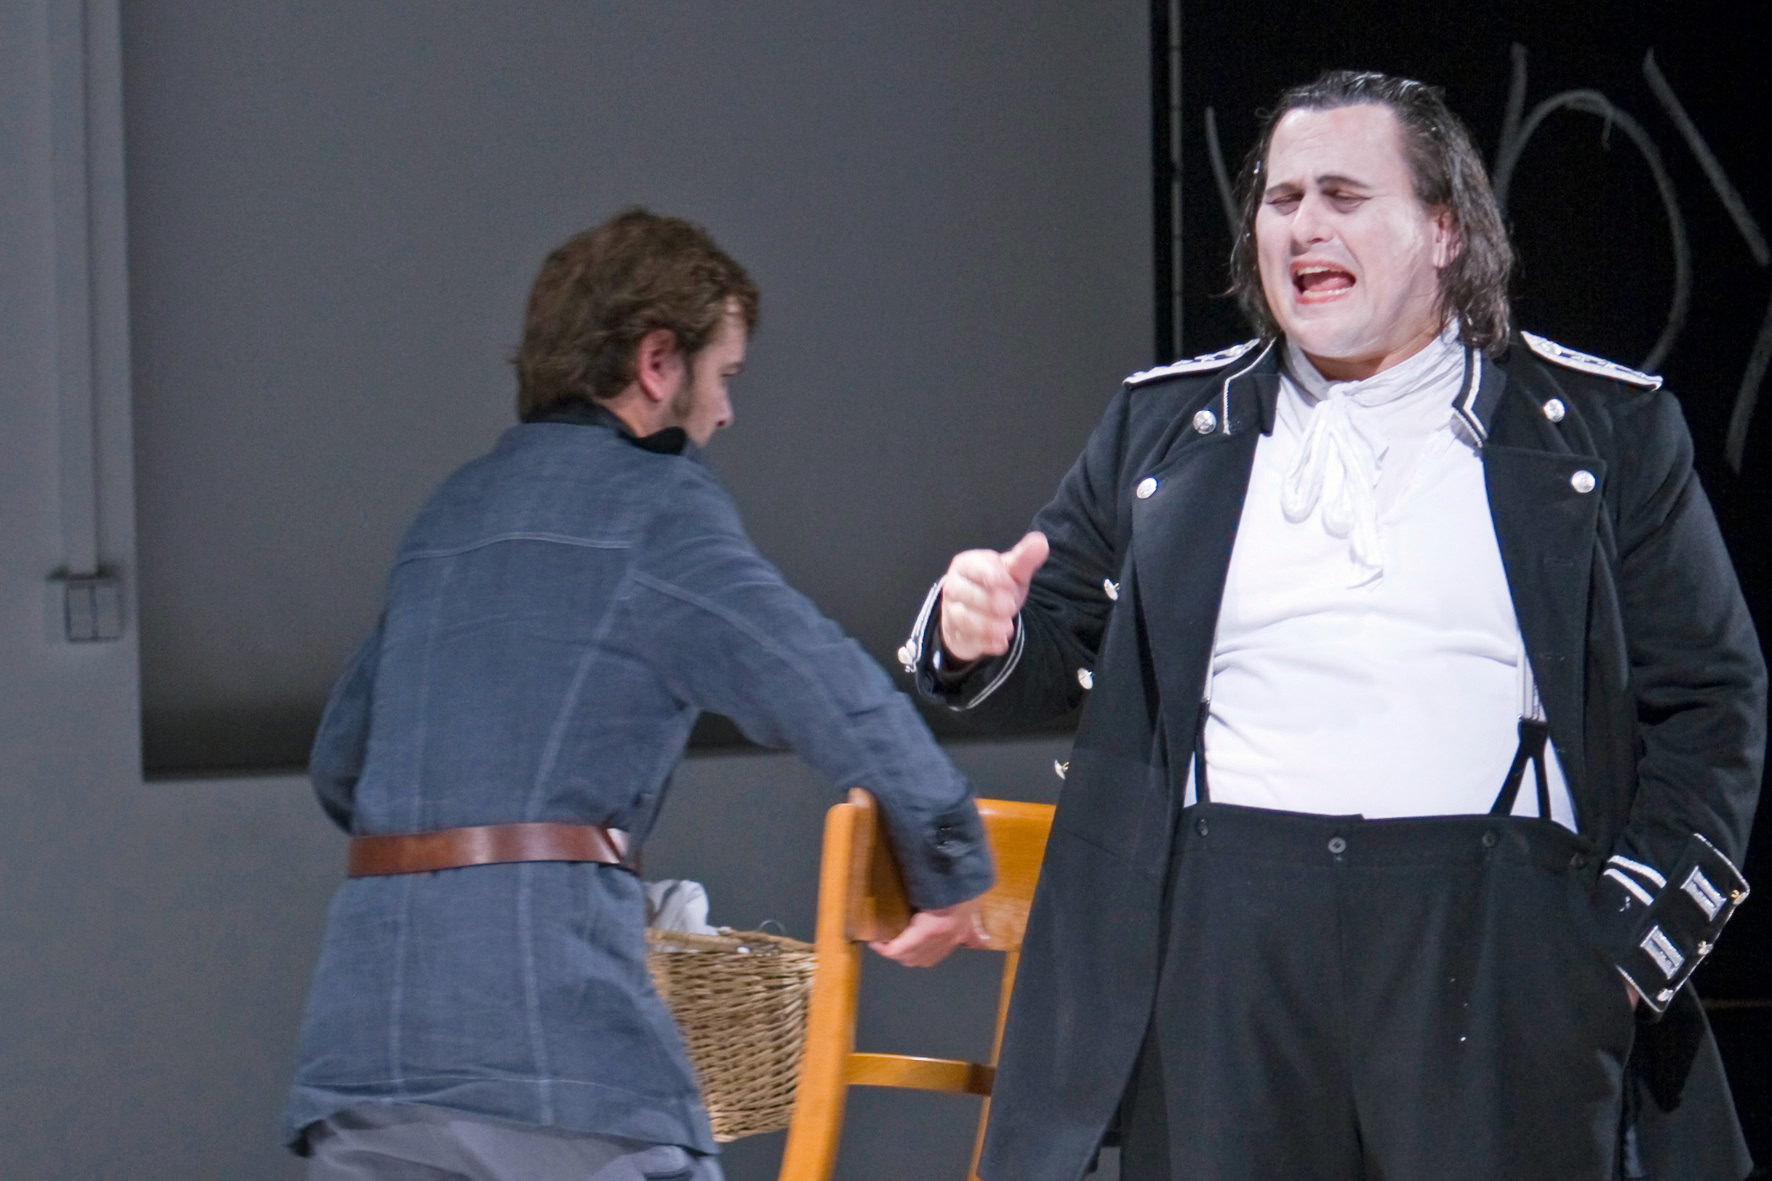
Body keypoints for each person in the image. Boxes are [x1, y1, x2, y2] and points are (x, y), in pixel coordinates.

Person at [903, 72, 1764, 1181]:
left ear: (1444, 230)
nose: (1302, 224)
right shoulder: (1166, 424)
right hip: (1226, 950)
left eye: (1344, 195)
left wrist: (1619, 950)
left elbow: (1711, 699)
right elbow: (1053, 638)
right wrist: (976, 629)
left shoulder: (1605, 429)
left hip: (1496, 948)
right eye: (1280, 198)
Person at [286, 208, 993, 1180]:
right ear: (658, 361)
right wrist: (948, 856)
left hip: (362, 1054)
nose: (726, 411)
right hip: (553, 1054)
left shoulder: (450, 510)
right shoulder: (654, 506)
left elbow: (342, 764)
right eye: (726, 374)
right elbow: (815, 677)